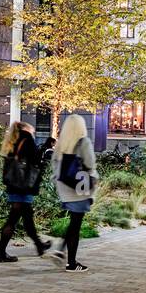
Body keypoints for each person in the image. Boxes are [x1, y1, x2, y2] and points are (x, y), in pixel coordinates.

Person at [0, 121, 54, 263]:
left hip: (14, 185)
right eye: (30, 128)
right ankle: (0, 252)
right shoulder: (27, 139)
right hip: (23, 185)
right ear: (25, 128)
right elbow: (35, 159)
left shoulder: (13, 141)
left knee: (25, 217)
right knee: (15, 219)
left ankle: (39, 245)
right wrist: (45, 150)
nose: (32, 129)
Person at [49, 113, 97, 273]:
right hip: (80, 187)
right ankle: (70, 261)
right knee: (75, 224)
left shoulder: (61, 144)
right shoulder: (84, 142)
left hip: (64, 188)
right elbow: (90, 164)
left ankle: (61, 250)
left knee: (74, 221)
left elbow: (55, 166)